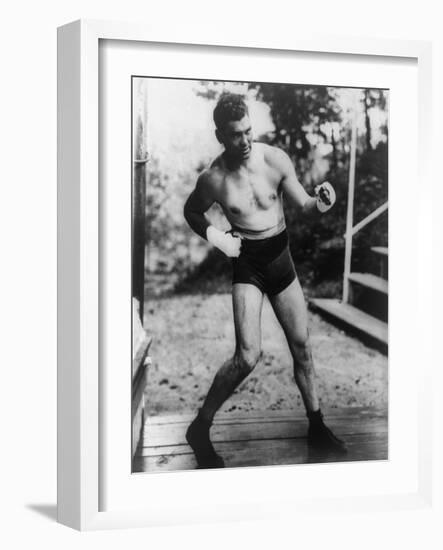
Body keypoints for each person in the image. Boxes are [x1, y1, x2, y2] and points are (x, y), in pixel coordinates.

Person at [183, 92, 347, 469]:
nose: (243, 141)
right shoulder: (213, 179)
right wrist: (218, 237)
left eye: (247, 131)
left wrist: (322, 199)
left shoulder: (274, 159)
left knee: (302, 346)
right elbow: (192, 211)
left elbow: (305, 203)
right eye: (234, 135)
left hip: (280, 257)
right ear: (220, 135)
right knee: (247, 356)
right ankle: (200, 427)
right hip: (247, 263)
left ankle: (317, 426)